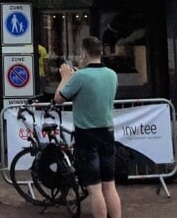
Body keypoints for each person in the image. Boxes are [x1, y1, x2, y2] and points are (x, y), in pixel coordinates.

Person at [53, 37, 122, 218]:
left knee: (95, 188)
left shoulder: (80, 77)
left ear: (84, 53)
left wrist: (66, 78)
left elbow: (58, 99)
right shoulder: (111, 75)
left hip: (87, 134)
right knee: (110, 185)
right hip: (107, 132)